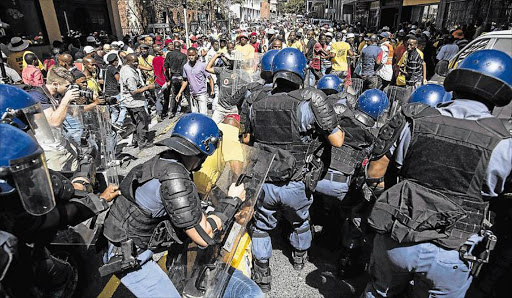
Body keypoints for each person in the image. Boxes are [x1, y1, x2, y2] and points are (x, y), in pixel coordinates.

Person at [364, 49, 512, 298]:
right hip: (454, 252)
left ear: (456, 81)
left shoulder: (414, 122)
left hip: (399, 237)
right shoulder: (504, 145)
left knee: (379, 292)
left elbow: (376, 171)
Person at [101, 113, 263, 298]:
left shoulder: (163, 161)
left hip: (118, 238)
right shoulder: (174, 177)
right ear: (201, 151)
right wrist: (232, 201)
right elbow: (204, 236)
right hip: (129, 254)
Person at [247, 48, 344, 292]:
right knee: (301, 221)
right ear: (302, 72)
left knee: (260, 227)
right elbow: (338, 141)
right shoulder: (310, 99)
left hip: (264, 179)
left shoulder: (255, 99)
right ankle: (299, 259)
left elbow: (247, 139)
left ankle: (262, 273)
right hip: (296, 181)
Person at [0, 123, 120, 296]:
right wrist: (99, 200)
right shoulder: (11, 218)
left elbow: (58, 188)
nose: (31, 182)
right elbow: (50, 218)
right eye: (23, 177)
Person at [120, 53, 154, 149]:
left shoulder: (125, 68)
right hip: (134, 102)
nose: (136, 64)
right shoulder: (129, 74)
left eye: (137, 61)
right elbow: (134, 91)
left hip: (129, 101)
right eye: (134, 62)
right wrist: (148, 87)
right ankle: (142, 143)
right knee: (142, 121)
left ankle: (136, 140)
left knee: (136, 122)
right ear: (128, 61)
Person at [176, 47, 214, 115]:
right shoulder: (186, 67)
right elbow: (185, 81)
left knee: (203, 115)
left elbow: (210, 78)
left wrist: (212, 90)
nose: (191, 57)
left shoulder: (202, 65)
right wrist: (180, 92)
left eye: (193, 55)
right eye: (189, 55)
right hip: (192, 95)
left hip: (202, 94)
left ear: (196, 55)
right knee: (194, 115)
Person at [164, 41, 188, 118]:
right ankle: (190, 109)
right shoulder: (183, 56)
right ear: (180, 47)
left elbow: (166, 67)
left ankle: (172, 111)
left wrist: (168, 79)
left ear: (174, 46)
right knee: (186, 94)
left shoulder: (169, 54)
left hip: (173, 76)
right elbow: (184, 67)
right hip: (181, 76)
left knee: (174, 94)